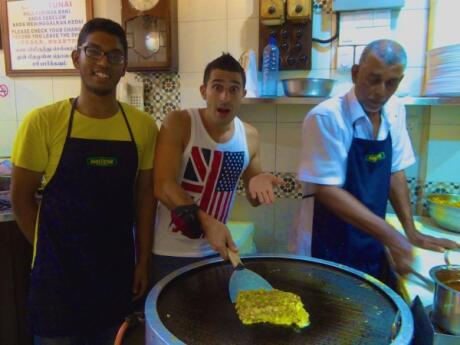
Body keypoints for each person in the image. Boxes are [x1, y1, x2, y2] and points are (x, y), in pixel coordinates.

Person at [10, 18, 158, 345]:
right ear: (77, 58)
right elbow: (20, 199)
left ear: (124, 67)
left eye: (114, 55)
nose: (103, 62)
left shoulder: (143, 127)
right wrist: (49, 250)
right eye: (94, 52)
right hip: (57, 283)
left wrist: (143, 259)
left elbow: (145, 198)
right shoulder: (43, 122)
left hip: (115, 275)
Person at [292, 39, 459, 287]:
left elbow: (395, 173)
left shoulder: (394, 110)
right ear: (356, 73)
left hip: (371, 240)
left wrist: (410, 232)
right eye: (373, 79)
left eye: (391, 83)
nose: (380, 91)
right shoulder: (327, 117)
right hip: (326, 243)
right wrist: (393, 237)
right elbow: (326, 191)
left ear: (399, 82)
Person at [151, 53, 283, 283]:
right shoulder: (180, 122)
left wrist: (259, 183)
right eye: (217, 87)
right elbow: (163, 186)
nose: (225, 97)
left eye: (234, 89)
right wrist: (208, 222)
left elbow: (254, 198)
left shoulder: (249, 136)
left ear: (243, 94)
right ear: (204, 91)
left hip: (217, 253)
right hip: (171, 254)